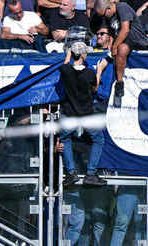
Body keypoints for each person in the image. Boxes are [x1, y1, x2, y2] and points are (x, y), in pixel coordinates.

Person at [58, 38, 101, 188]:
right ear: (82, 55)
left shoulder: (66, 71)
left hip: (69, 114)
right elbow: (95, 88)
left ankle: (71, 172)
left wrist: (68, 55)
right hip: (86, 114)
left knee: (65, 139)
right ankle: (91, 173)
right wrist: (100, 70)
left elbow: (65, 65)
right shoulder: (90, 73)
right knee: (98, 139)